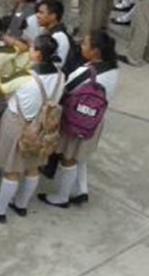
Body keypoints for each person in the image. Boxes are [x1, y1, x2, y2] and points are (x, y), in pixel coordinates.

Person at [0, 34, 65, 223]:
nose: (30, 50)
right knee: (33, 168)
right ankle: (21, 204)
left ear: (39, 54)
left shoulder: (26, 78)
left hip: (18, 124)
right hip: (43, 126)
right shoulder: (60, 76)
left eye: (33, 48)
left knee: (12, 170)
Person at [40, 30, 118, 208]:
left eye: (85, 44)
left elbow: (64, 92)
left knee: (69, 158)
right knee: (79, 155)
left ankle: (62, 197)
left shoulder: (86, 72)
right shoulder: (113, 69)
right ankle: (80, 190)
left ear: (95, 51)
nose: (81, 46)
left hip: (75, 120)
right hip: (94, 121)